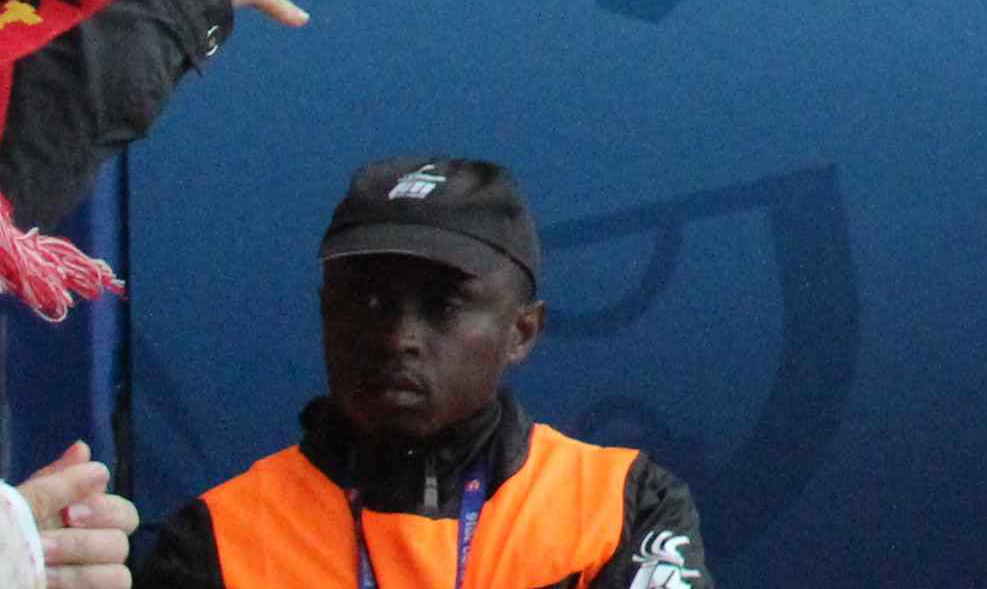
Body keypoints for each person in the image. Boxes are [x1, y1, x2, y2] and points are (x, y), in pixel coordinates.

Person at [131, 156, 707, 589]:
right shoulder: (217, 539)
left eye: (443, 305)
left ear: (522, 332)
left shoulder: (621, 507)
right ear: (326, 312)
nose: (399, 338)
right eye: (369, 302)